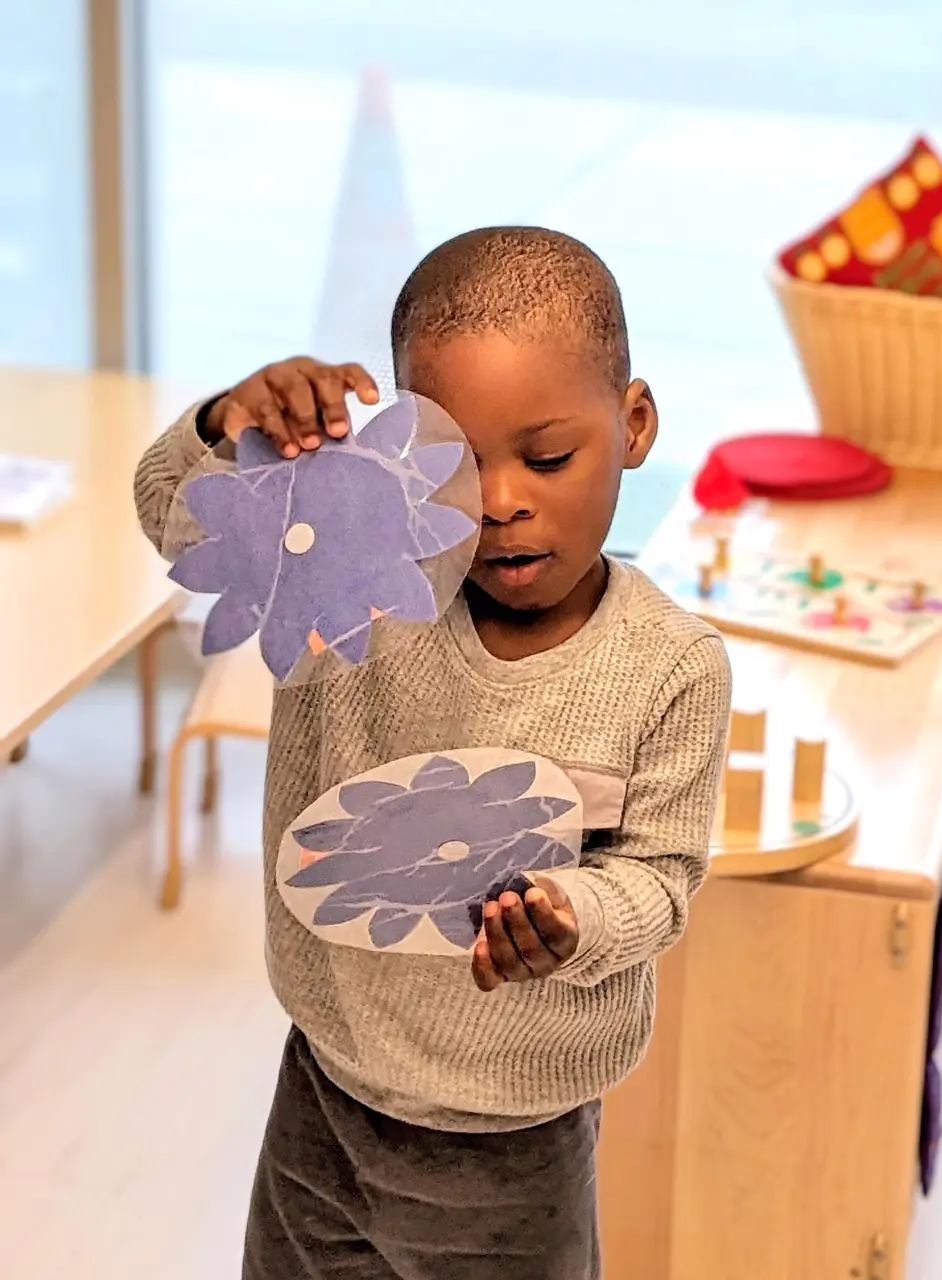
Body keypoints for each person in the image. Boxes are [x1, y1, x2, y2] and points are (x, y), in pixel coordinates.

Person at [133, 226, 732, 1280]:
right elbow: (176, 520)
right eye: (453, 463)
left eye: (545, 457)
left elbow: (662, 879)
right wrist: (233, 428)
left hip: (516, 1138)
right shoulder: (350, 586)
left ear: (632, 425)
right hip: (325, 1088)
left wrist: (572, 916)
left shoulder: (671, 665)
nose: (499, 500)